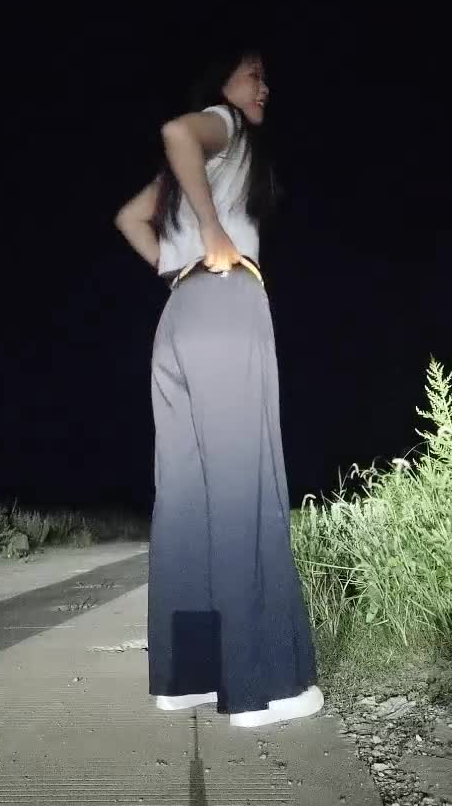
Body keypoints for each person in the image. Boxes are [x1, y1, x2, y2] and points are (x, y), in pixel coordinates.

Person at [114, 44, 324, 728]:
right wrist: (211, 234)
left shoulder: (192, 173)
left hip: (179, 318)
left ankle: (189, 677)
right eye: (254, 74)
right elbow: (178, 131)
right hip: (228, 303)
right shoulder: (223, 126)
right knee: (243, 487)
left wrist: (177, 267)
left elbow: (129, 218)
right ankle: (263, 687)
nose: (265, 88)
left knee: (185, 496)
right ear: (223, 78)